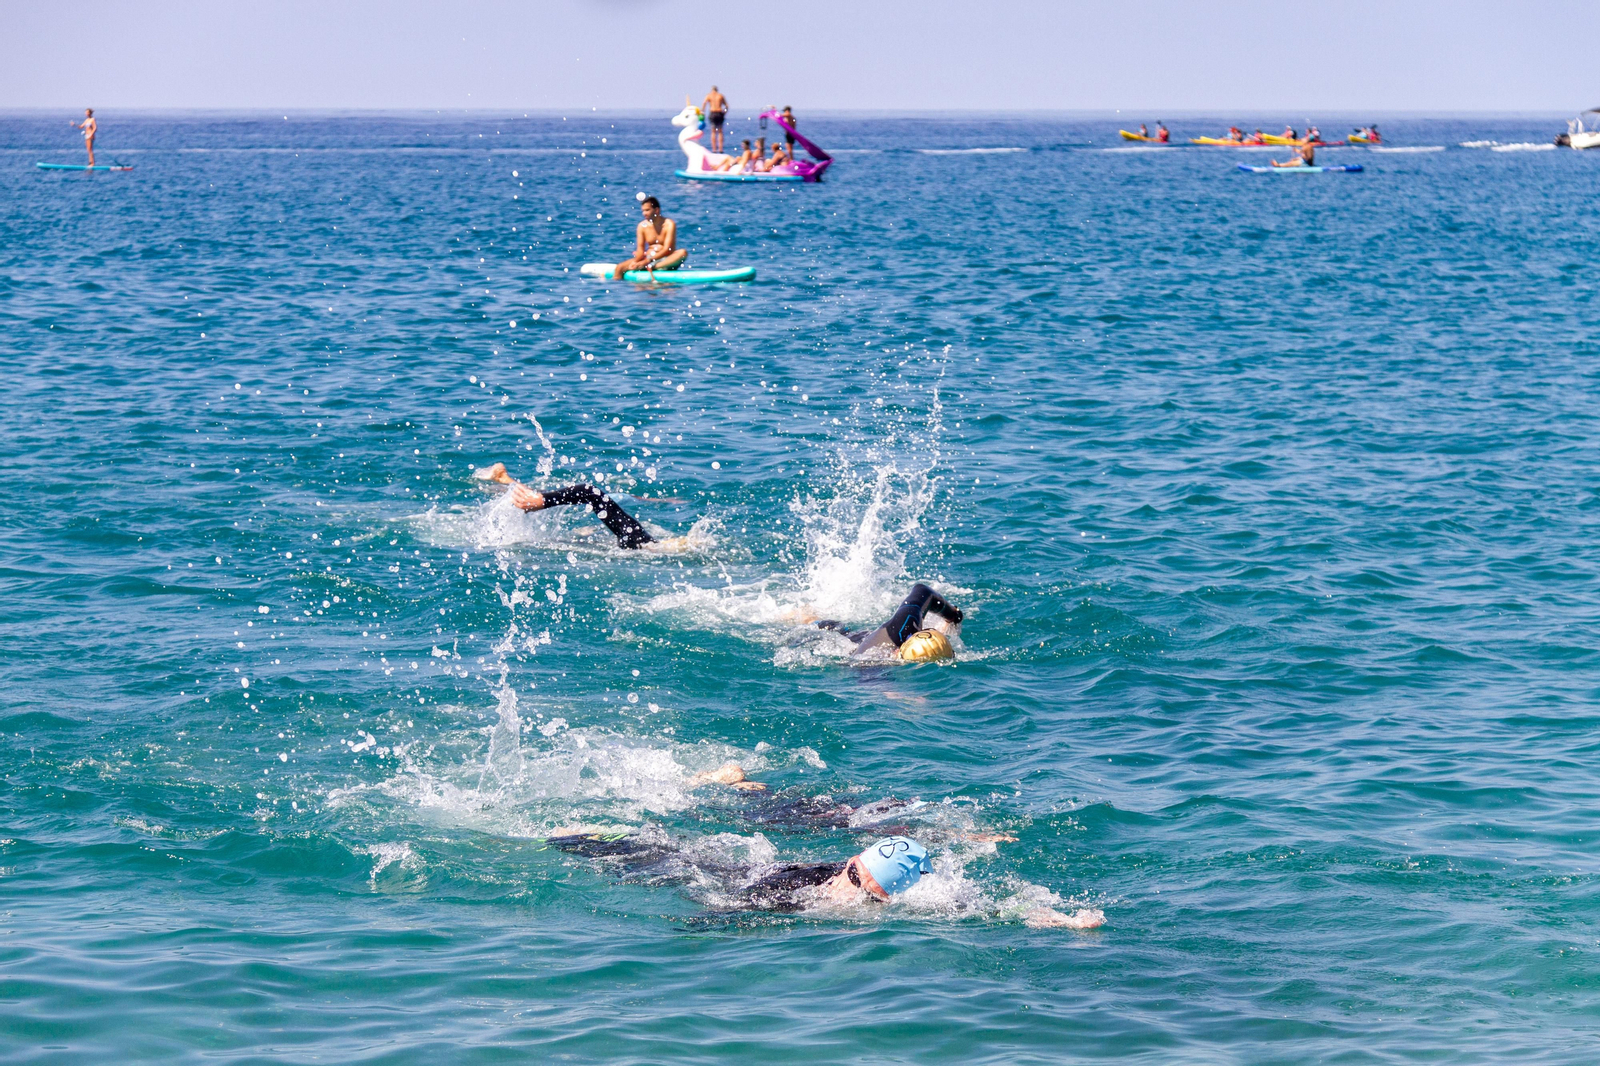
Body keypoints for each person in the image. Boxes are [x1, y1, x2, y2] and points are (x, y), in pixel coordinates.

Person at [478, 461, 676, 550]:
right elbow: (589, 492)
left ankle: (507, 481)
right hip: (641, 547)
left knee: (551, 543)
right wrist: (543, 502)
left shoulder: (641, 544)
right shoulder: (639, 542)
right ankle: (508, 482)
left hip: (627, 548)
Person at [810, 582, 965, 662]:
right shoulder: (875, 660)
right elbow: (873, 682)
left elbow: (923, 592)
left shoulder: (909, 624)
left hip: (860, 638)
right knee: (812, 623)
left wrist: (953, 616)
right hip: (823, 635)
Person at [609, 195, 687, 279]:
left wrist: (647, 261)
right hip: (648, 259)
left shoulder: (669, 224)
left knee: (683, 253)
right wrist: (635, 262)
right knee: (619, 268)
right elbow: (640, 251)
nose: (644, 213)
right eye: (643, 211)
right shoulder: (642, 226)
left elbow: (667, 249)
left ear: (656, 210)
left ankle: (652, 266)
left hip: (665, 260)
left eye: (647, 210)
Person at [702, 86, 728, 153]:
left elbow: (704, 103)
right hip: (719, 113)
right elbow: (726, 106)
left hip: (713, 113)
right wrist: (724, 112)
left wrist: (702, 112)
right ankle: (720, 149)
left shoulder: (709, 95)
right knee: (720, 131)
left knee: (713, 131)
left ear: (712, 90)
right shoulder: (721, 96)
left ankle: (714, 149)